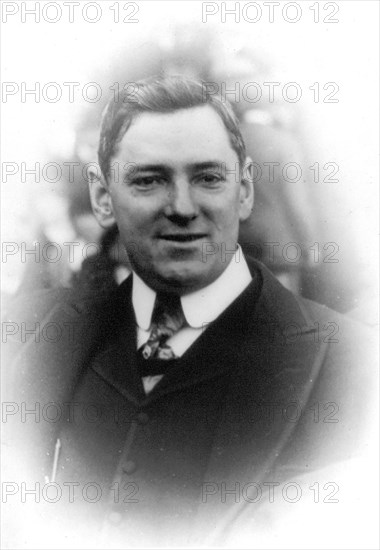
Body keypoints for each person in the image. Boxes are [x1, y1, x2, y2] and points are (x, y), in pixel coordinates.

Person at [3, 76, 377, 549]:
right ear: (102, 198)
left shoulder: (356, 365)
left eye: (208, 178)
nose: (182, 207)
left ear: (243, 191)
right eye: (149, 180)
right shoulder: (26, 334)